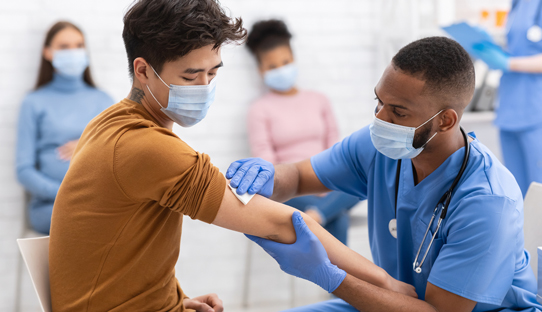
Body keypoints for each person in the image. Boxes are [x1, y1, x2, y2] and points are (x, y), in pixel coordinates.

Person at [48, 1, 416, 311]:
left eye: (212, 73)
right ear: (143, 70)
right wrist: (385, 282)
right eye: (191, 77)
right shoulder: (146, 147)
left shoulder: (109, 123)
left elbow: (114, 246)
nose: (205, 88)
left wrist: (174, 300)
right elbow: (284, 223)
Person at [228, 37, 542, 311]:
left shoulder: (488, 201)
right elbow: (297, 177)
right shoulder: (378, 147)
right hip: (394, 302)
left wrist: (330, 276)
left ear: (446, 120)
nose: (380, 118)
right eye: (379, 102)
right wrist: (270, 178)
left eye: (398, 111)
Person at [244, 19, 360, 244]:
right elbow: (266, 163)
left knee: (362, 179)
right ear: (261, 70)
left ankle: (315, 217)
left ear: (294, 59)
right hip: (289, 190)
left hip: (327, 180)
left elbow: (334, 149)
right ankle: (325, 218)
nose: (281, 70)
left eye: (285, 62)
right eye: (272, 66)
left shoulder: (319, 100)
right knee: (339, 218)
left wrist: (325, 182)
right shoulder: (259, 110)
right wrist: (302, 185)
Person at [15, 21, 113, 234]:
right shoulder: (34, 102)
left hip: (99, 202)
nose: (73, 52)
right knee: (89, 223)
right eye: (64, 47)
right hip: (51, 206)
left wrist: (87, 144)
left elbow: (120, 155)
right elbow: (24, 170)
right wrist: (64, 193)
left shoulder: (104, 101)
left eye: (79, 45)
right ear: (48, 53)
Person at [471, 0, 542, 196]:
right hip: (511, 109)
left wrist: (508, 63)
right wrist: (491, 49)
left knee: (538, 191)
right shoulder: (518, 4)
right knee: (517, 192)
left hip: (536, 110)